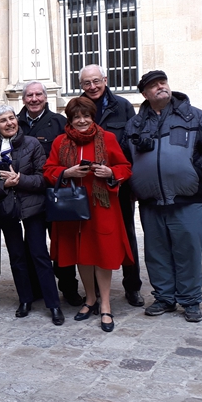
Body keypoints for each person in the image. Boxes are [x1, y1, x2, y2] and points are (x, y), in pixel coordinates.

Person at [123, 71, 202, 323]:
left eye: (162, 82)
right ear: (144, 94)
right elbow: (125, 159)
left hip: (186, 197)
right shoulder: (134, 124)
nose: (160, 87)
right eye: (153, 86)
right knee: (156, 252)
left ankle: (190, 301)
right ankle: (164, 298)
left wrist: (197, 172)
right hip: (150, 200)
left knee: (187, 250)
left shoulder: (194, 116)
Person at [44, 97, 134, 332]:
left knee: (102, 252)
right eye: (76, 117)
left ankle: (105, 304)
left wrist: (110, 171)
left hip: (101, 205)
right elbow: (49, 170)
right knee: (81, 252)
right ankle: (90, 299)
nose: (82, 121)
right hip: (73, 207)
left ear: (93, 117)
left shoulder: (108, 138)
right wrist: (67, 171)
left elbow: (125, 167)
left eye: (86, 116)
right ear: (70, 120)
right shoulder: (60, 141)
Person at [0, 104, 64, 326]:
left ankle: (53, 304)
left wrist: (21, 179)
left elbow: (43, 177)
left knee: (39, 254)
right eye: (3, 120)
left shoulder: (32, 143)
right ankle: (25, 299)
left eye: (11, 118)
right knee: (17, 257)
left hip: (33, 207)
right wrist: (4, 184)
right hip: (6, 209)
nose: (9, 123)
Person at [79, 64, 144, 307]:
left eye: (96, 81)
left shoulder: (123, 106)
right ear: (81, 86)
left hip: (117, 184)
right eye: (87, 83)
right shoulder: (79, 107)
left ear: (105, 80)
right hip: (87, 186)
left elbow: (130, 147)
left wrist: (122, 177)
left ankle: (132, 287)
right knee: (91, 236)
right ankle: (94, 292)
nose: (92, 86)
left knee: (127, 235)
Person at [15, 80, 81, 307]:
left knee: (60, 243)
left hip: (56, 194)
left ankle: (69, 288)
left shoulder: (59, 122)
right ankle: (36, 289)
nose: (34, 99)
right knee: (32, 245)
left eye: (38, 95)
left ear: (45, 97)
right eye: (29, 95)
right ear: (23, 99)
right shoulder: (15, 123)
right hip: (28, 194)